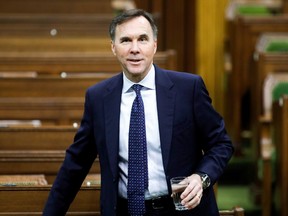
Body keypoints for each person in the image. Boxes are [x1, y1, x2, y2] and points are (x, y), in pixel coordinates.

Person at [43, 9, 234, 216]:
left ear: (154, 45)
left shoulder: (188, 88)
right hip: (126, 211)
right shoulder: (98, 98)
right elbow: (75, 165)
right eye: (125, 40)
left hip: (182, 210)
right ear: (113, 48)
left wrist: (201, 177)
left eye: (142, 39)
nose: (135, 49)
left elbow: (221, 144)